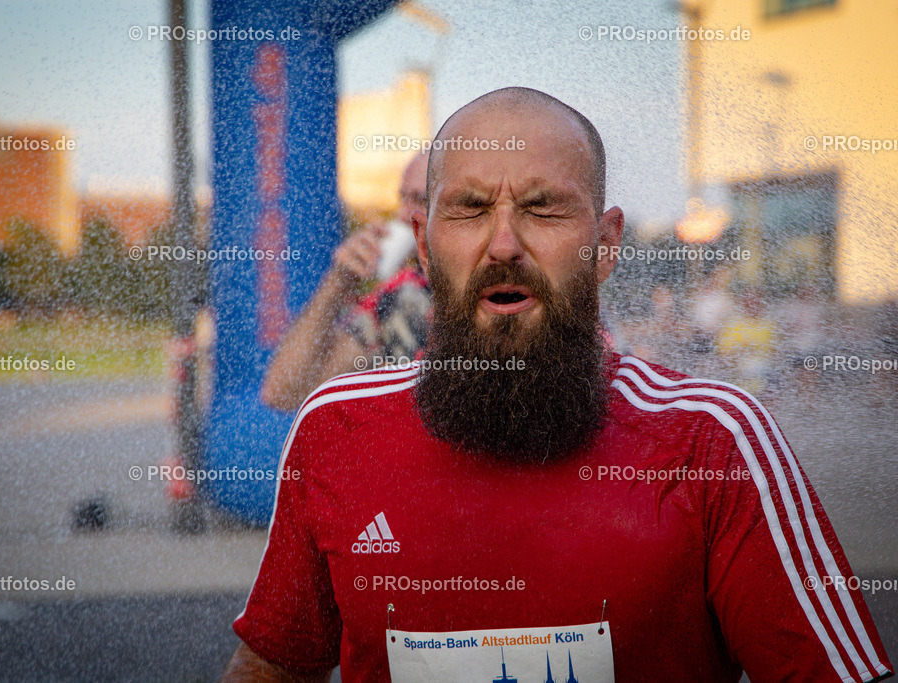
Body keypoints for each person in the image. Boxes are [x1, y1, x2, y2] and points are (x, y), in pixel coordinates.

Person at [223, 88, 892, 682]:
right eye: (470, 208)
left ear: (606, 246)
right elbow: (275, 665)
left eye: (543, 209)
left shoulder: (714, 442)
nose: (505, 243)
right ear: (426, 249)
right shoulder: (336, 429)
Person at [259, 152, 432, 412]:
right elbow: (283, 393)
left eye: (419, 199)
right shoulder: (402, 293)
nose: (402, 215)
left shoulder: (499, 286)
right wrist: (338, 282)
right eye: (402, 199)